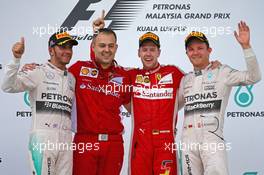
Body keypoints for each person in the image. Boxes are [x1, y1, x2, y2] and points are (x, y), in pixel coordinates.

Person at [179, 21, 261, 175]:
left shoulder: (222, 72)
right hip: (188, 143)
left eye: (200, 48)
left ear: (209, 50)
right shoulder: (185, 79)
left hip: (212, 140)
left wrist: (246, 47)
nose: (195, 52)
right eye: (191, 49)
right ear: (187, 54)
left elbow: (254, 77)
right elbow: (171, 106)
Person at [1, 31, 78, 175]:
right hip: (42, 139)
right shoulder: (37, 71)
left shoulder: (72, 78)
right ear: (51, 50)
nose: (67, 51)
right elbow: (7, 86)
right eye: (62, 47)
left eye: (70, 47)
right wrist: (16, 59)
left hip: (66, 140)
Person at [68, 28, 131, 175]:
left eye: (111, 45)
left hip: (114, 144)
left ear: (116, 47)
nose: (107, 50)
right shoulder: (78, 69)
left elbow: (134, 108)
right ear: (93, 47)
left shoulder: (124, 75)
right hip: (85, 141)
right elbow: (57, 73)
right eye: (102, 45)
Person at [128, 32, 184, 175]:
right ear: (138, 53)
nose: (148, 54)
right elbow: (104, 68)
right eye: (144, 49)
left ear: (159, 52)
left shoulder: (173, 72)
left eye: (152, 49)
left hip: (165, 142)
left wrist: (211, 67)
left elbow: (196, 81)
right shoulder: (131, 75)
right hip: (140, 142)